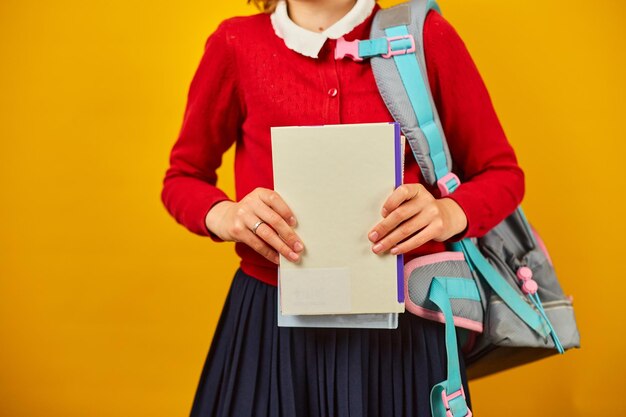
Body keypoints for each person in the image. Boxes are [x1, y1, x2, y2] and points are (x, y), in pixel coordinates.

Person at [161, 0, 525, 415]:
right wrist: (225, 215)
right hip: (270, 320)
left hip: (405, 325)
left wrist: (448, 214)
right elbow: (183, 177)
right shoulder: (235, 43)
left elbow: (502, 174)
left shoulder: (426, 36)